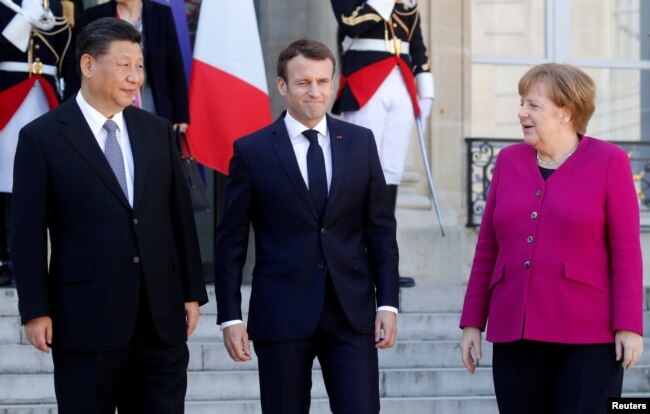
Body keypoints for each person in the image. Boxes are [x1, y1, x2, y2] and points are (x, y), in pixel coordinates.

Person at [11, 17, 208, 414]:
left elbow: (179, 217)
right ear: (87, 65)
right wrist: (35, 309)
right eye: (124, 65)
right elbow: (27, 234)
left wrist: (191, 291)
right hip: (86, 321)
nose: (135, 77)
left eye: (139, 66)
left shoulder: (156, 130)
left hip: (159, 320)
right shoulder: (42, 137)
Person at [215, 39, 399, 414]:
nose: (315, 92)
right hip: (281, 312)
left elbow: (380, 229)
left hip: (351, 310)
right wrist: (230, 315)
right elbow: (230, 240)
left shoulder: (361, 143)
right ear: (283, 86)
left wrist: (389, 303)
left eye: (323, 81)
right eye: (303, 83)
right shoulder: (252, 151)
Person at [459, 63, 644, 414]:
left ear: (566, 112)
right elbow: (487, 249)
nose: (521, 113)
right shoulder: (508, 161)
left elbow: (625, 253)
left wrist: (629, 325)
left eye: (532, 105)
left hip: (588, 336)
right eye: (521, 103)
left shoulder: (611, 162)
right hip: (515, 331)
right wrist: (472, 322)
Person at [330, 0, 435, 288]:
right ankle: (354, 257)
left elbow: (417, 46)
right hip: (365, 81)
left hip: (401, 82)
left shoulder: (406, 4)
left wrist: (425, 92)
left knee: (391, 172)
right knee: (359, 170)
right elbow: (351, 22)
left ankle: (384, 262)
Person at [0, 0, 71, 286]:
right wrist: (25, 18)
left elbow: (66, 54)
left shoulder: (56, 4)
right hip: (9, 97)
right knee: (6, 183)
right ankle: (5, 258)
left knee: (44, 185)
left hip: (46, 96)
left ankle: (41, 260)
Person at [64, 0, 189, 132]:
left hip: (152, 104)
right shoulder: (93, 15)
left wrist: (181, 114)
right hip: (105, 110)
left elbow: (174, 66)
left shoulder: (161, 14)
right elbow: (76, 68)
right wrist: (69, 110)